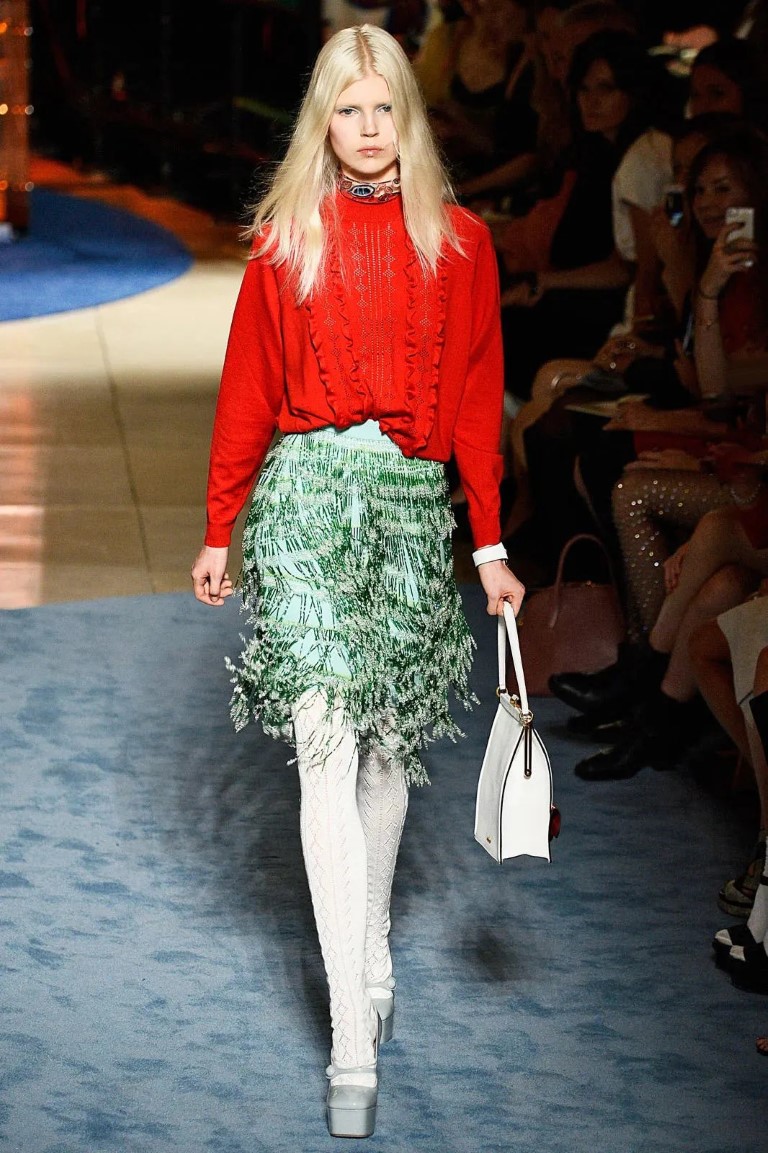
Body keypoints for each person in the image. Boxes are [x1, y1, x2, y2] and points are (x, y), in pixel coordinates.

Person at [190, 24, 524, 1140]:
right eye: (348, 110)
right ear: (322, 121)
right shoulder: (287, 237)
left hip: (410, 512)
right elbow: (247, 385)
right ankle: (349, 1030)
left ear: (408, 118)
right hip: (305, 504)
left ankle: (372, 944)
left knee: (385, 746)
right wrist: (221, 524)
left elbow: (476, 397)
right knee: (325, 737)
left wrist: (489, 542)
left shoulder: (462, 242)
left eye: (385, 108)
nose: (369, 129)